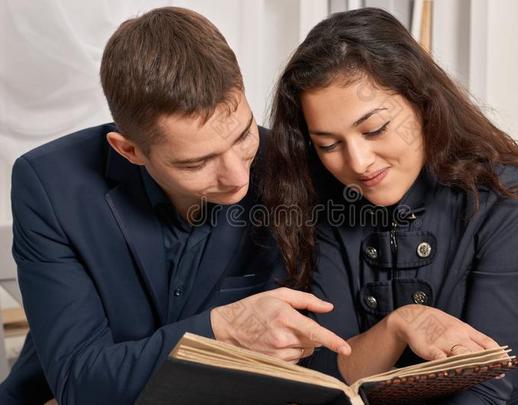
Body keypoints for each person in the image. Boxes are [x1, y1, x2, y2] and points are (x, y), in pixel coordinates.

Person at [0, 7, 351, 405]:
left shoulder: (296, 168)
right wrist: (221, 328)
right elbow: (81, 381)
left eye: (242, 136)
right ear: (129, 150)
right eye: (196, 163)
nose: (237, 176)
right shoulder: (50, 186)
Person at [264, 7, 518, 404]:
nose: (358, 163)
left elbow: (484, 387)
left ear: (423, 103)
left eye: (375, 129)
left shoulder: (506, 200)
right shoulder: (331, 209)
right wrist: (398, 326)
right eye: (329, 144)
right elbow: (326, 374)